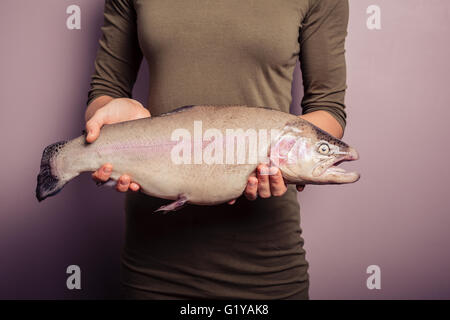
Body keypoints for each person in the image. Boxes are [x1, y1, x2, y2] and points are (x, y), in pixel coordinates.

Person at [85, 0, 349, 299]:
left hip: (266, 266)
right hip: (153, 263)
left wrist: (290, 154)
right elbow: (106, 87)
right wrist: (107, 121)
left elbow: (327, 107)